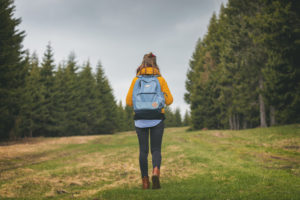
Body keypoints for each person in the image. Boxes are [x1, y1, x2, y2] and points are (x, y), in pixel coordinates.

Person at [126, 52, 173, 189]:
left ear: (143, 63)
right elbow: (169, 100)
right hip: (157, 117)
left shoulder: (136, 80)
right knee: (156, 149)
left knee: (143, 151)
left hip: (140, 118)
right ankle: (156, 171)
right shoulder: (160, 80)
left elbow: (129, 102)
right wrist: (158, 100)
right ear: (155, 63)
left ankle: (145, 182)